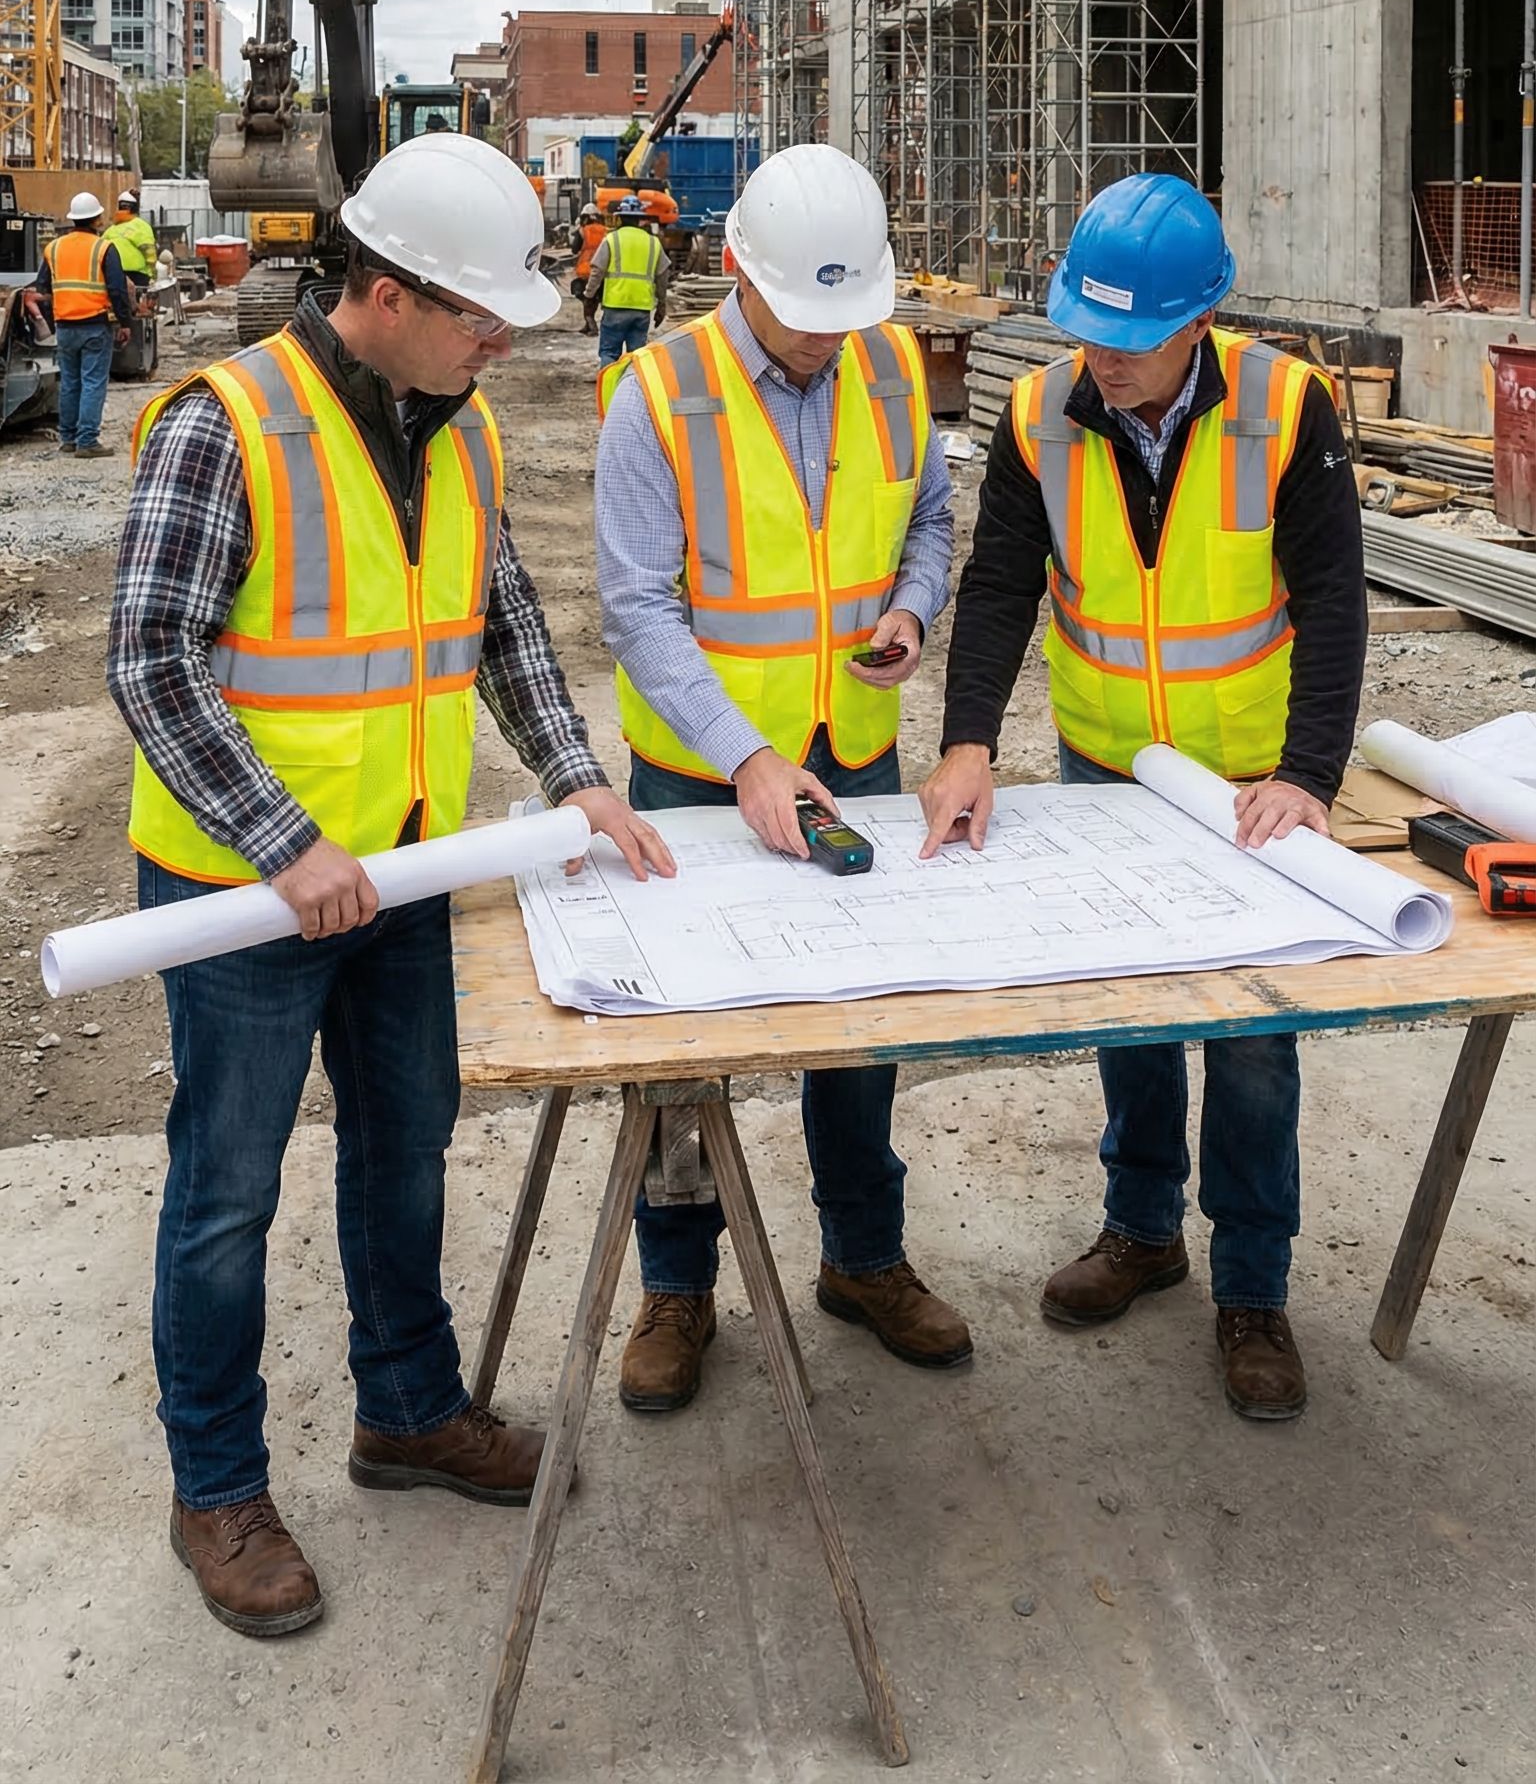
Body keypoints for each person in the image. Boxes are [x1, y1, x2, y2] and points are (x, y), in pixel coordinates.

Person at [106, 134, 674, 1640]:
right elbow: (150, 660)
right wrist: (286, 844)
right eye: (478, 316)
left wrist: (576, 774)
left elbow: (505, 627)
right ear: (382, 291)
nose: (500, 342)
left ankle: (408, 1409)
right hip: (243, 890)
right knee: (226, 1194)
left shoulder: (463, 422)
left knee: (405, 1145)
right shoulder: (224, 426)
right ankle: (215, 1486)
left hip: (406, 868)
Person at [920, 175, 1367, 1422]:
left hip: (1246, 785)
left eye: (1128, 340)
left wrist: (1310, 777)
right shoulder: (1040, 411)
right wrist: (967, 744)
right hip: (1104, 763)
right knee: (1133, 1014)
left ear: (1198, 321)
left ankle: (1254, 1288)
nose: (1101, 360)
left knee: (1253, 1035)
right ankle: (1141, 1228)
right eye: (1087, 332)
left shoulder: (1288, 408)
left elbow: (1333, 601)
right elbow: (1004, 582)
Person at [595, 142, 972, 1412]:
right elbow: (638, 606)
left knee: (858, 1029)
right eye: (802, 319)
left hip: (851, 752)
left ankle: (863, 1256)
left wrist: (912, 611)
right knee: (685, 1047)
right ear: (739, 273)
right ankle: (678, 1287)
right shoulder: (657, 392)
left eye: (842, 317)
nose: (823, 343)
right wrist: (745, 755)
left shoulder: (893, 365)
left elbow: (928, 516)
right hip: (699, 777)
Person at [33, 190, 137, 456]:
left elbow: (42, 286)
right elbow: (117, 289)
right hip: (94, 325)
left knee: (69, 382)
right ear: (96, 219)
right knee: (92, 382)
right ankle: (87, 441)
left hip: (65, 327)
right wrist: (125, 322)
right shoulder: (104, 248)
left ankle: (68, 438)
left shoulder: (53, 247)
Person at [584, 195, 668, 370]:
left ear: (620, 216)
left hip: (615, 306)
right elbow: (662, 276)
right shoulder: (653, 243)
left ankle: (609, 394)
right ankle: (634, 393)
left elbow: (597, 271)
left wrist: (589, 296)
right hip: (641, 308)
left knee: (609, 354)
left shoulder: (611, 239)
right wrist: (662, 305)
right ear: (640, 219)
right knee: (637, 358)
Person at [103, 186, 159, 295]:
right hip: (139, 277)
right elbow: (150, 254)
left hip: (113, 276)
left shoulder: (110, 230)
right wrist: (153, 275)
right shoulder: (142, 227)